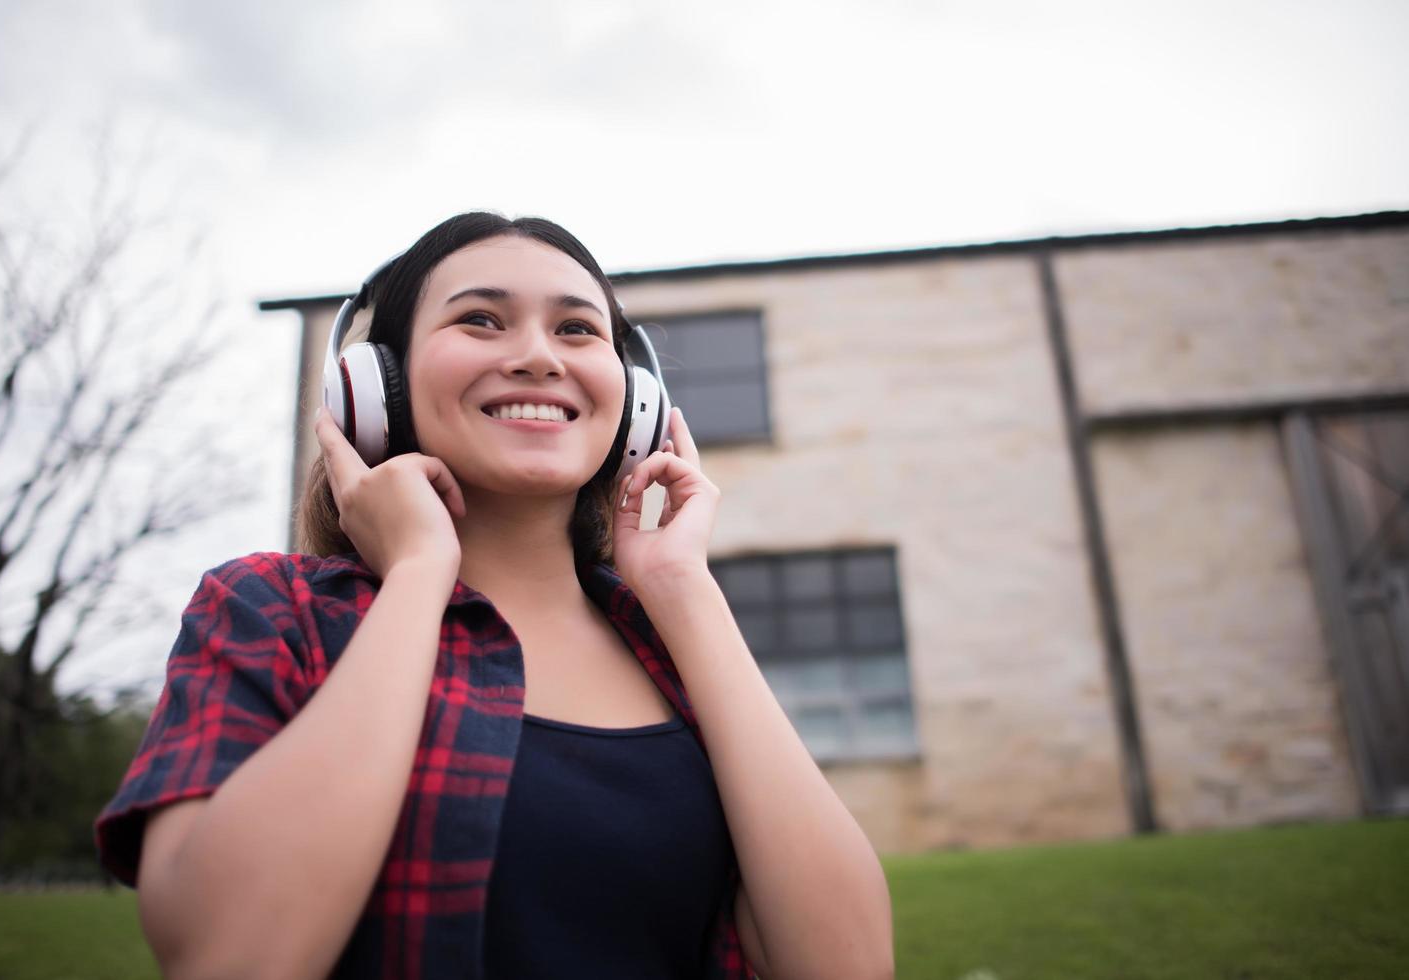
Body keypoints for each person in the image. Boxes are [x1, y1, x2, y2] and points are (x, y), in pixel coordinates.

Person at [94, 212, 894, 979]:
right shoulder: (272, 610)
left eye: (577, 328)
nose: (539, 356)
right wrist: (415, 576)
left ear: (635, 399)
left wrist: (681, 586)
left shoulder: (669, 643)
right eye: (481, 320)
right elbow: (229, 958)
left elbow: (846, 964)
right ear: (378, 385)